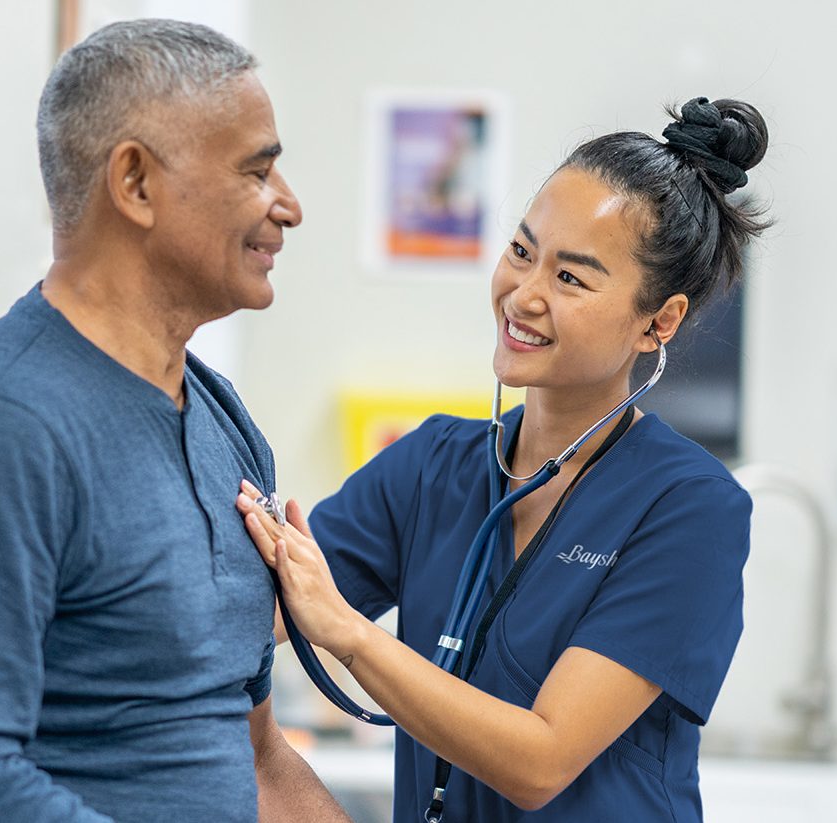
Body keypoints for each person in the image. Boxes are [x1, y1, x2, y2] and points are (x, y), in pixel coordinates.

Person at [0, 20, 343, 823]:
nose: (290, 206)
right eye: (258, 171)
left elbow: (254, 756)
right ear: (136, 183)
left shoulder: (225, 426)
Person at [235, 97, 768, 821]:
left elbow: (541, 760)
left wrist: (351, 634)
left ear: (658, 320)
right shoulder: (431, 466)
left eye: (572, 278)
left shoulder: (691, 506)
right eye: (522, 252)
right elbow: (257, 612)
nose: (524, 294)